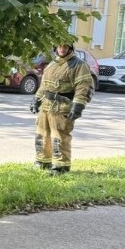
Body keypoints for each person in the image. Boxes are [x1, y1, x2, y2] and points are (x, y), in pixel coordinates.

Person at [30, 42, 93, 174]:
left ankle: (61, 166)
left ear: (70, 48)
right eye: (59, 46)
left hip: (63, 106)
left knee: (59, 137)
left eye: (65, 47)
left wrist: (78, 106)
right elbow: (44, 85)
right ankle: (42, 161)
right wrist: (36, 100)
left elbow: (83, 87)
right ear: (55, 48)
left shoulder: (78, 65)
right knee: (42, 134)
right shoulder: (53, 64)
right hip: (46, 106)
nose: (62, 49)